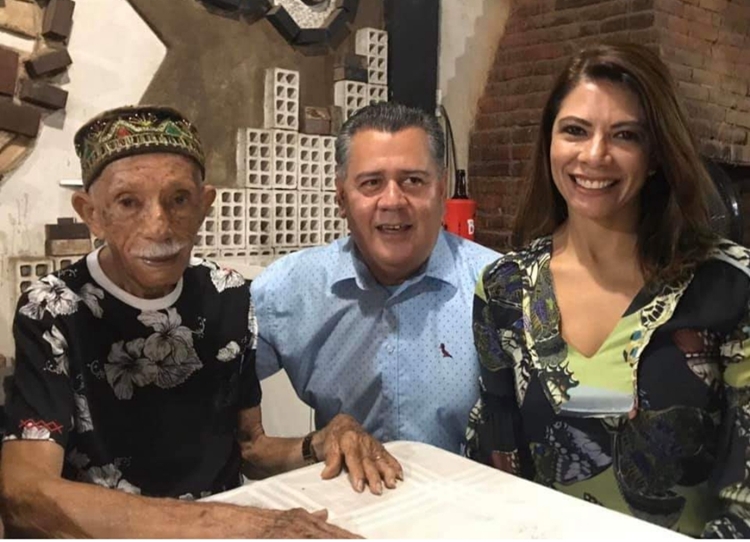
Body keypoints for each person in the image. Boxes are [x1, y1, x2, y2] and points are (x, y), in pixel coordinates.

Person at [0, 105, 400, 538]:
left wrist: (321, 441)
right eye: (128, 202)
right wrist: (224, 523)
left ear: (205, 205)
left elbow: (250, 448)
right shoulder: (54, 309)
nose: (159, 226)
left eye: (179, 200)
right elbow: (26, 493)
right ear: (91, 213)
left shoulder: (226, 294)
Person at [466, 42, 750, 538]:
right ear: (549, 143)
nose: (595, 154)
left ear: (656, 155)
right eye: (575, 130)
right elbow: (497, 462)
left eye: (625, 135)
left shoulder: (731, 285)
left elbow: (744, 506)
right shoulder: (504, 288)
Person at [252, 102, 500, 454]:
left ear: (442, 191)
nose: (393, 201)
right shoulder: (289, 290)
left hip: (471, 488)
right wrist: (310, 447)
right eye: (371, 183)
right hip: (343, 488)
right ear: (341, 198)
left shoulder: (499, 289)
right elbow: (216, 410)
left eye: (413, 181)